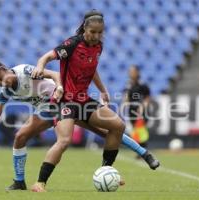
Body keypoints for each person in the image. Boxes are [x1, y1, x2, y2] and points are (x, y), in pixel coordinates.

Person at [0, 58, 159, 191]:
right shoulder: (6, 92)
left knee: (104, 131)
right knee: (20, 137)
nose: (2, 83)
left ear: (4, 69)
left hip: (63, 101)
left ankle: (142, 153)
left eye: (1, 78)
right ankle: (19, 182)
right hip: (46, 110)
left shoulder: (25, 70)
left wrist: (58, 88)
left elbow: (54, 74)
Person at [30, 10, 159, 192]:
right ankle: (40, 183)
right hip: (66, 101)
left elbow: (92, 70)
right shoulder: (72, 44)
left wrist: (103, 90)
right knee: (64, 141)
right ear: (85, 28)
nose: (96, 36)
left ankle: (106, 169)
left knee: (117, 125)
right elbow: (47, 57)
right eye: (93, 32)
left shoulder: (98, 46)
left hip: (83, 100)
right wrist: (40, 66)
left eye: (100, 32)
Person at [123, 65, 152, 156]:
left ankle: (143, 151)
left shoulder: (142, 85)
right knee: (135, 131)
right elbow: (126, 97)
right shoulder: (128, 84)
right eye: (130, 72)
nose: (131, 73)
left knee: (141, 131)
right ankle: (139, 152)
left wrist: (143, 107)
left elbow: (147, 98)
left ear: (137, 72)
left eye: (133, 71)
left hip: (141, 110)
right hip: (131, 111)